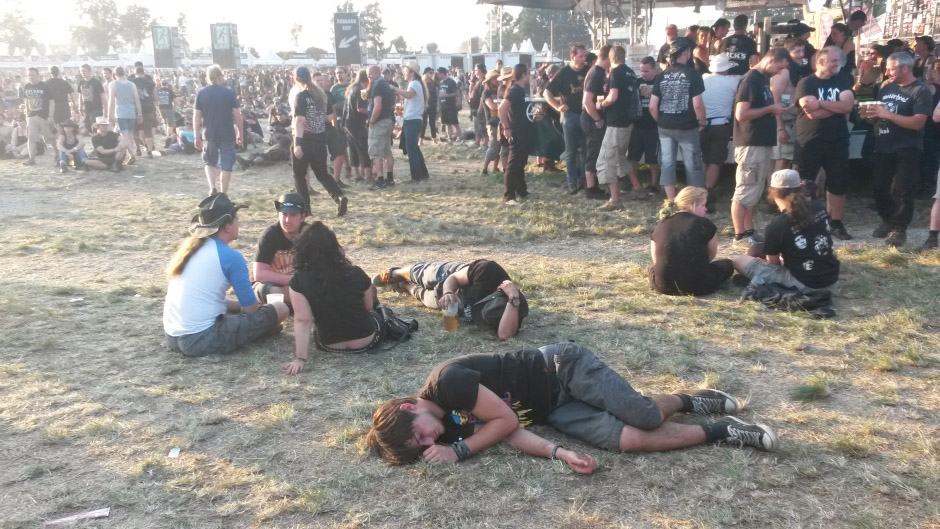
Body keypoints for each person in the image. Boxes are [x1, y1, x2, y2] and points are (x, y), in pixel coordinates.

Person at [365, 342, 777, 470]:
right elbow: (509, 431)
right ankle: (723, 430)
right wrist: (559, 452)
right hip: (553, 411)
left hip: (561, 369)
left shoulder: (445, 384)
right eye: (421, 448)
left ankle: (690, 398)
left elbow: (502, 418)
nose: (426, 441)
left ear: (407, 409)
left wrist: (458, 451)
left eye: (416, 435)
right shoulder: (449, 425)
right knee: (628, 439)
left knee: (645, 414)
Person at [163, 193, 289, 357]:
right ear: (228, 226)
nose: (239, 224)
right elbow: (250, 310)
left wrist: (238, 307)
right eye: (237, 219)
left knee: (236, 309)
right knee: (280, 308)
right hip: (201, 339)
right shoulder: (231, 257)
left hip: (172, 336)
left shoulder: (190, 250)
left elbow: (206, 298)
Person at [286, 222, 386, 371]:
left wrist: (300, 358)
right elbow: (368, 307)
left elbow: (303, 320)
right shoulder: (356, 273)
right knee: (375, 304)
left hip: (329, 344)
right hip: (367, 341)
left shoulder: (298, 280)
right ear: (335, 248)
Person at [863, 52, 932, 247]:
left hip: (908, 147)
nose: (887, 72)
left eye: (891, 69)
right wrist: (871, 114)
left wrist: (888, 114)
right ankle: (888, 218)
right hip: (883, 144)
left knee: (904, 189)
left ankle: (899, 229)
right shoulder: (887, 88)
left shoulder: (920, 91)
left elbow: (918, 122)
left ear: (905, 68)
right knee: (879, 187)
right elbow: (880, 113)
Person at [732, 169, 840, 290]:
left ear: (773, 193)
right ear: (800, 188)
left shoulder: (777, 226)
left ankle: (761, 281)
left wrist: (764, 263)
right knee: (756, 249)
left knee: (738, 260)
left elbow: (773, 263)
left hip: (806, 284)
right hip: (832, 279)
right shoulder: (819, 207)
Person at [373, 259, 528, 340]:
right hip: (452, 278)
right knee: (425, 275)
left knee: (426, 298)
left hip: (452, 305)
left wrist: (513, 298)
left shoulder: (515, 306)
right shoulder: (488, 271)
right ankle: (396, 273)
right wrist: (448, 292)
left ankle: (403, 285)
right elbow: (454, 278)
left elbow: (504, 335)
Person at [731, 47, 791, 248]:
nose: (779, 72)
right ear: (771, 59)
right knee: (745, 190)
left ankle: (748, 230)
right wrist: (771, 109)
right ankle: (740, 235)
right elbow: (741, 114)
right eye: (779, 68)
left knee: (754, 190)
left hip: (761, 142)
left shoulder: (763, 79)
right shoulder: (750, 80)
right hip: (750, 143)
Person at [795, 46, 855, 240]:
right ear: (821, 62)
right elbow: (811, 113)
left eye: (838, 61)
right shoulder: (806, 83)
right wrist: (836, 107)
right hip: (810, 140)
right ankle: (803, 222)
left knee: (838, 182)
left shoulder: (843, 79)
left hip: (837, 140)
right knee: (805, 183)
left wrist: (821, 103)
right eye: (834, 61)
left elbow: (847, 106)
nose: (838, 64)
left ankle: (835, 222)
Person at [650, 37, 706, 201]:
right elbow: (698, 105)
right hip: (687, 126)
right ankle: (694, 200)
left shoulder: (662, 75)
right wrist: (703, 121)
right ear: (686, 52)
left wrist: (660, 121)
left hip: (665, 126)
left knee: (667, 163)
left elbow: (653, 106)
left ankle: (671, 199)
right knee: (693, 164)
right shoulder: (693, 74)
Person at [650, 186, 733, 295]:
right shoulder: (706, 225)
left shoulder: (661, 224)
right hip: (699, 286)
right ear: (692, 204)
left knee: (652, 267)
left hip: (663, 285)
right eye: (703, 205)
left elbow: (656, 258)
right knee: (728, 264)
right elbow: (711, 255)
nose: (706, 209)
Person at [291, 66, 348, 217]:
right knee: (322, 173)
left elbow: (300, 121)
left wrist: (297, 144)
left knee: (299, 175)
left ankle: (305, 208)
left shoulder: (301, 96)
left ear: (296, 80)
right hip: (320, 139)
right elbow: (330, 118)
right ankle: (339, 197)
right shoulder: (322, 96)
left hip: (305, 139)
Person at [595, 45, 641, 211]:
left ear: (611, 57)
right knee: (620, 157)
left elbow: (613, 96)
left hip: (616, 122)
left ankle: (614, 199)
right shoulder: (631, 72)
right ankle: (637, 188)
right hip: (628, 122)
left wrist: (601, 104)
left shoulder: (616, 73)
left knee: (606, 160)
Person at [545, 45, 590, 194]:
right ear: (573, 56)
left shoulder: (588, 70)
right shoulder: (563, 73)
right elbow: (547, 92)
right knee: (571, 151)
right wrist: (557, 106)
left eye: (585, 56)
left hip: (585, 114)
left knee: (585, 150)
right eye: (581, 56)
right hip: (570, 116)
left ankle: (584, 179)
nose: (584, 59)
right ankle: (571, 180)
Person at [251, 191, 308, 306]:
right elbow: (259, 274)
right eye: (284, 214)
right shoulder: (270, 235)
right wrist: (293, 281)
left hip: (302, 285)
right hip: (274, 286)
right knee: (267, 290)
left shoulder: (309, 234)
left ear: (302, 216)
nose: (287, 220)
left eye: (293, 215)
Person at [193, 64, 242, 195]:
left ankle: (212, 188)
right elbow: (237, 115)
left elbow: (197, 116)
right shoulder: (229, 92)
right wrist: (240, 133)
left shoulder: (202, 93)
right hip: (227, 132)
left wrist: (196, 136)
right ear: (220, 76)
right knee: (227, 164)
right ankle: (223, 192)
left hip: (210, 132)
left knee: (210, 162)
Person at [699, 53, 737, 211]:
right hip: (720, 124)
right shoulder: (733, 81)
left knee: (703, 159)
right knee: (715, 161)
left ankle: (700, 190)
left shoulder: (702, 78)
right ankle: (707, 191)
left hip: (701, 123)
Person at [626, 56, 662, 198]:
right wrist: (638, 95)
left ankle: (654, 184)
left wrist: (652, 93)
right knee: (633, 156)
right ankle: (635, 182)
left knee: (652, 158)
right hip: (638, 125)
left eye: (646, 71)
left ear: (653, 69)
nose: (644, 74)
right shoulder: (638, 82)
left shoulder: (659, 81)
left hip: (653, 126)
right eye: (641, 71)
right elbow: (629, 101)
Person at [498, 64, 534, 205]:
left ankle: (521, 191)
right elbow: (502, 109)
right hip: (518, 132)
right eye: (528, 73)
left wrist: (533, 117)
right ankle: (509, 196)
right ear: (523, 74)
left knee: (520, 163)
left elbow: (521, 111)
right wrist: (506, 127)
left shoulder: (521, 90)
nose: (529, 76)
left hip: (525, 131)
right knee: (513, 164)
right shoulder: (514, 91)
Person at [581, 44, 612, 200]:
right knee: (592, 151)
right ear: (608, 56)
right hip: (592, 118)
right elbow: (587, 101)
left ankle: (594, 184)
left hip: (595, 117)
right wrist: (597, 118)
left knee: (596, 150)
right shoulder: (595, 73)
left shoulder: (599, 72)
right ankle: (590, 187)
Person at [771, 39, 805, 173]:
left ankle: (774, 191)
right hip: (785, 120)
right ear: (788, 54)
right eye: (797, 51)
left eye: (803, 51)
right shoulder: (784, 72)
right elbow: (775, 98)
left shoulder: (796, 70)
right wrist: (780, 128)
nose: (801, 54)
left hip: (792, 120)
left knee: (784, 158)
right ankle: (775, 192)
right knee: (782, 158)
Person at [393, 61, 430, 182]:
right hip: (415, 119)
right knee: (414, 147)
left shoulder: (414, 83)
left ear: (412, 73)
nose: (403, 73)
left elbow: (409, 95)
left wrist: (395, 89)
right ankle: (423, 173)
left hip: (412, 119)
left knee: (411, 149)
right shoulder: (417, 83)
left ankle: (416, 176)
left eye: (405, 71)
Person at [367, 65, 396, 189]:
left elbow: (377, 106)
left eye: (369, 74)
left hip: (380, 122)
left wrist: (372, 120)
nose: (368, 77)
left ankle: (380, 180)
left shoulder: (377, 86)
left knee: (376, 152)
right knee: (386, 151)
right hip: (389, 120)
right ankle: (390, 179)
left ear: (374, 73)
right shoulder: (386, 84)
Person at [108, 66, 141, 167]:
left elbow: (111, 101)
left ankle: (132, 155)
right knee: (130, 135)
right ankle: (130, 155)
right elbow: (137, 100)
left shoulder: (113, 84)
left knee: (124, 136)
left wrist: (110, 114)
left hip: (121, 112)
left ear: (115, 74)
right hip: (131, 112)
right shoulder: (132, 84)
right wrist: (139, 113)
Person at [22, 67, 54, 166]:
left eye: (32, 75)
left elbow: (51, 102)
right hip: (32, 116)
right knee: (31, 138)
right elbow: (26, 101)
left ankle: (58, 155)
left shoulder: (45, 86)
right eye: (29, 75)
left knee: (50, 138)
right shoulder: (27, 86)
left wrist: (50, 116)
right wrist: (27, 115)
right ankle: (32, 159)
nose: (31, 77)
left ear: (38, 75)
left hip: (43, 115)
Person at [344, 69, 372, 183]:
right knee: (363, 148)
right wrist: (372, 112)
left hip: (347, 122)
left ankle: (357, 175)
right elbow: (361, 108)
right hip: (357, 123)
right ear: (367, 79)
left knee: (353, 150)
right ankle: (368, 175)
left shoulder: (351, 88)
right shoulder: (362, 90)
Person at [480, 70, 503, 175]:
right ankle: (484, 169)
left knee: (500, 145)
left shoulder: (499, 91)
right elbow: (492, 106)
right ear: (489, 80)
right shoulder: (486, 93)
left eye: (498, 78)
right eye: (494, 78)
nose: (497, 80)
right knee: (493, 146)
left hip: (500, 121)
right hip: (492, 122)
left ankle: (495, 168)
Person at [437, 67, 462, 142]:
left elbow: (457, 93)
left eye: (439, 73)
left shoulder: (451, 82)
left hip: (451, 106)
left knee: (455, 123)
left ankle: (459, 138)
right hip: (443, 106)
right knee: (447, 124)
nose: (437, 75)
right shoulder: (441, 83)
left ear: (442, 73)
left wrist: (446, 95)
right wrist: (438, 105)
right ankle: (450, 138)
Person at [421, 68, 439, 144]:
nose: (432, 74)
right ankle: (420, 140)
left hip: (432, 105)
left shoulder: (434, 83)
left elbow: (437, 94)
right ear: (426, 73)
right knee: (423, 123)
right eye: (430, 72)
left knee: (432, 122)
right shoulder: (421, 83)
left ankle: (434, 139)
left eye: (432, 72)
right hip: (424, 106)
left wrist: (438, 104)